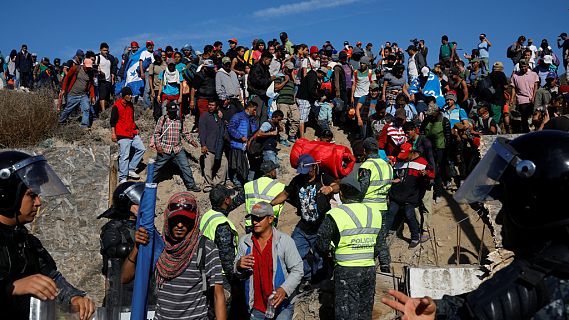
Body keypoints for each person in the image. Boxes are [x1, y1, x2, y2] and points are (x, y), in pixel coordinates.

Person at [383, 130, 569, 319]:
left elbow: (480, 312)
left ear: (532, 207)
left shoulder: (534, 284)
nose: (498, 219)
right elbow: (478, 303)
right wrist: (439, 311)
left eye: (506, 205)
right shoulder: (543, 273)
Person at [0, 150, 95, 320]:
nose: (38, 202)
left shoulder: (26, 241)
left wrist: (73, 298)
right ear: (6, 195)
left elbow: (51, 277)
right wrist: (13, 287)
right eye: (32, 195)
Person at [122, 192, 227, 319]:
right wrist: (137, 248)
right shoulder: (159, 247)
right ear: (168, 219)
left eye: (186, 220)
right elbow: (124, 278)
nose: (180, 225)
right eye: (176, 219)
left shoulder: (205, 248)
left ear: (194, 222)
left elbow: (218, 294)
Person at [316, 176, 383, 320]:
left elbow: (321, 243)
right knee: (364, 311)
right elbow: (379, 245)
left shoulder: (336, 214)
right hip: (369, 269)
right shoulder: (375, 213)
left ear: (341, 194)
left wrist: (331, 253)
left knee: (345, 313)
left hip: (346, 270)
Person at [270, 154, 339, 284]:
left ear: (314, 167)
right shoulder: (297, 180)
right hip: (304, 225)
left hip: (321, 225)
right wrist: (271, 204)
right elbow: (285, 193)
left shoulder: (323, 178)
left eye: (307, 171)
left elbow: (337, 185)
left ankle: (319, 282)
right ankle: (306, 277)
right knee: (294, 252)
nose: (305, 174)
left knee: (320, 256)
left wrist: (330, 188)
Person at [235, 201, 303, 320]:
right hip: (256, 308)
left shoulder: (284, 241)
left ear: (270, 219)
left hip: (282, 306)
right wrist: (238, 266)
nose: (255, 222)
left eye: (259, 218)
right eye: (253, 218)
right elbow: (237, 272)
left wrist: (284, 289)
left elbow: (297, 269)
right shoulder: (245, 243)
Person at [97, 182, 152, 319]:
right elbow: (113, 255)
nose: (143, 207)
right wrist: (132, 248)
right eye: (139, 203)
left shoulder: (147, 227)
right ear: (128, 205)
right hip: (121, 296)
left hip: (146, 292)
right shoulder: (113, 229)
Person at [200, 185, 245, 315]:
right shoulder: (222, 225)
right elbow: (227, 259)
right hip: (222, 277)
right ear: (226, 200)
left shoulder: (208, 216)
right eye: (229, 197)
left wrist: (244, 193)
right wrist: (235, 281)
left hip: (207, 272)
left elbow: (231, 205)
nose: (231, 199)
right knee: (223, 310)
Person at [357, 137, 393, 272]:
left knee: (367, 237)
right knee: (381, 237)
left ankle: (367, 262)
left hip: (368, 207)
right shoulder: (387, 165)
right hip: (382, 206)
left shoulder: (367, 166)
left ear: (365, 151)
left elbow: (362, 188)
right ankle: (385, 264)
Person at [153, 101, 201, 192]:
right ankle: (148, 184)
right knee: (157, 167)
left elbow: (185, 133)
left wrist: (191, 141)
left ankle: (191, 185)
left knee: (185, 166)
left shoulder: (180, 120)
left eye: (174, 111)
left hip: (177, 149)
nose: (173, 113)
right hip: (165, 149)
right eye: (171, 112)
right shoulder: (162, 120)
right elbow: (156, 133)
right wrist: (158, 146)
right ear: (167, 111)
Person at [111, 87, 146, 183]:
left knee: (142, 149)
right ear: (124, 95)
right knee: (124, 156)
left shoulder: (131, 105)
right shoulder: (116, 106)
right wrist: (113, 134)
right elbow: (112, 122)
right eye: (128, 95)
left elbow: (131, 119)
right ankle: (123, 177)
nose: (130, 97)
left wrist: (136, 128)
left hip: (132, 132)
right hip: (122, 134)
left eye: (131, 95)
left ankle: (131, 169)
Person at [244, 160, 286, 232]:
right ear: (272, 172)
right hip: (268, 225)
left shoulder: (248, 186)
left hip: (251, 224)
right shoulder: (281, 187)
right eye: (274, 170)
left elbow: (235, 202)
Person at [199, 99, 228, 192]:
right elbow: (202, 132)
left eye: (212, 105)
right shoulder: (204, 116)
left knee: (224, 164)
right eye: (209, 105)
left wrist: (222, 118)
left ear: (217, 107)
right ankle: (208, 184)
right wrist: (203, 144)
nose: (210, 107)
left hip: (219, 146)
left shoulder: (219, 116)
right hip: (209, 146)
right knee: (208, 166)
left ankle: (218, 183)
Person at [58, 57, 96, 128]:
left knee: (86, 109)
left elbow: (91, 85)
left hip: (83, 95)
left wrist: (92, 96)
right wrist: (63, 89)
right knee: (68, 109)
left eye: (89, 67)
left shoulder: (91, 73)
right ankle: (61, 121)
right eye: (87, 66)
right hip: (73, 94)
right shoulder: (75, 68)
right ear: (83, 64)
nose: (88, 68)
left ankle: (84, 126)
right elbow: (67, 78)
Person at [227, 101, 258, 188]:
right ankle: (237, 182)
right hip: (237, 145)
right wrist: (240, 137)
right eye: (254, 109)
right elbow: (231, 128)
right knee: (237, 165)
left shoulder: (251, 118)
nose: (255, 111)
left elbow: (254, 131)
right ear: (249, 108)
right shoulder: (238, 116)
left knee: (245, 165)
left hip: (246, 146)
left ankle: (243, 182)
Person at [510, 59, 540, 133]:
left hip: (533, 99)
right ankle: (525, 131)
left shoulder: (533, 74)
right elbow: (514, 88)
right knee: (524, 116)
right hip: (522, 99)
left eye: (524, 66)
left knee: (534, 117)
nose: (523, 68)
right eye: (521, 67)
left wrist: (534, 96)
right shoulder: (515, 76)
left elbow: (536, 86)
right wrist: (512, 98)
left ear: (527, 66)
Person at [274, 61, 300, 146]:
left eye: (291, 70)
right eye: (288, 69)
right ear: (284, 68)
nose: (289, 71)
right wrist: (285, 81)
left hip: (291, 101)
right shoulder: (279, 76)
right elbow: (276, 87)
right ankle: (282, 138)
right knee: (282, 121)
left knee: (296, 118)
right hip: (282, 101)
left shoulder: (292, 78)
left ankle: (292, 135)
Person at [95, 42, 117, 112]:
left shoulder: (109, 58)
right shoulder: (97, 57)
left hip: (108, 80)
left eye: (107, 50)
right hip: (101, 80)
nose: (106, 52)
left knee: (107, 96)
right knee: (102, 96)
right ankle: (103, 111)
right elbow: (94, 67)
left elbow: (113, 67)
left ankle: (104, 110)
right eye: (104, 50)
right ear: (100, 50)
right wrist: (99, 72)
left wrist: (112, 77)